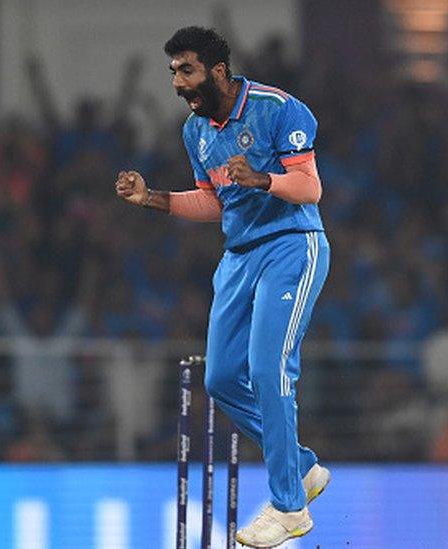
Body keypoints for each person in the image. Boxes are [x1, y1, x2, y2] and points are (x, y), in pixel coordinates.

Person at [115, 26, 330, 547]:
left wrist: (262, 178)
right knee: (223, 378)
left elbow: (310, 187)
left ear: (216, 71)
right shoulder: (196, 131)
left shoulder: (277, 108)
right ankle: (300, 468)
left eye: (185, 70)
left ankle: (288, 507)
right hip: (238, 256)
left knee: (266, 368)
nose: (177, 83)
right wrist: (153, 199)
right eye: (173, 73)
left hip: (290, 245)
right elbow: (216, 202)